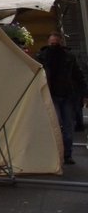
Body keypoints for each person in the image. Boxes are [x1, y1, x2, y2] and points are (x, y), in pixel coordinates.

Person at [36, 31, 86, 164]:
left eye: (56, 43)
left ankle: (65, 154)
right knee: (59, 125)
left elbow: (77, 75)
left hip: (64, 95)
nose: (54, 45)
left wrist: (83, 92)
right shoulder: (44, 56)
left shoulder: (45, 56)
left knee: (65, 126)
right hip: (55, 95)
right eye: (52, 43)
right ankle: (62, 154)